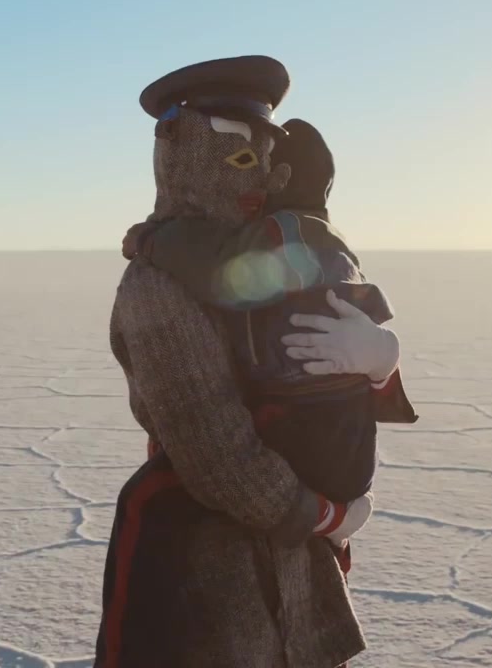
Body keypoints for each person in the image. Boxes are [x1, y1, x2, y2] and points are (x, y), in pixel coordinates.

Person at [95, 56, 407, 668]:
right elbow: (217, 452)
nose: (259, 177)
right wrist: (324, 515)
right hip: (213, 561)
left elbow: (315, 359)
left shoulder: (267, 256)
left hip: (297, 557)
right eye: (239, 156)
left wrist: (380, 365)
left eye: (266, 158)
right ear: (181, 154)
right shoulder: (158, 285)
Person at [121, 116, 419, 544]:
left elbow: (221, 271)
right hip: (331, 455)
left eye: (259, 165)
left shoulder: (290, 233)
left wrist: (155, 240)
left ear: (281, 178)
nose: (252, 180)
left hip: (303, 449)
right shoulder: (331, 243)